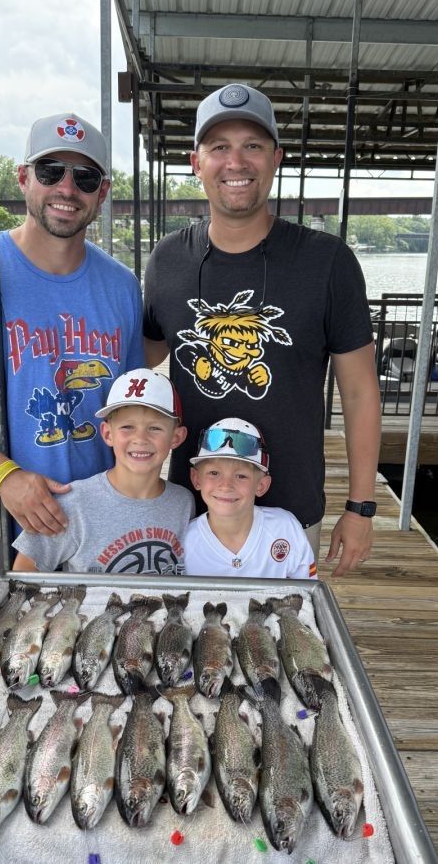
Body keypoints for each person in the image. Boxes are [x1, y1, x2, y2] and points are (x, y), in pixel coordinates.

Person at [143, 83, 381, 577]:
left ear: (276, 158)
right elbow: (135, 367)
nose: (236, 162)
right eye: (219, 147)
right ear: (196, 162)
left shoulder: (328, 261)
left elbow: (360, 392)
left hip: (291, 510)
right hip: (190, 510)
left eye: (252, 145)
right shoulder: (167, 260)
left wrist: (360, 507)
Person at [0, 112, 145, 535]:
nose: (67, 189)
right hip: (9, 524)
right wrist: (5, 475)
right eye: (50, 171)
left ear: (103, 192)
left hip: (101, 522)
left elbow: (129, 407)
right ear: (23, 178)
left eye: (85, 178)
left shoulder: (122, 286)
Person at [11, 369, 194, 574]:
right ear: (107, 434)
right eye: (127, 427)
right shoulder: (74, 503)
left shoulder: (184, 502)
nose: (140, 439)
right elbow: (24, 569)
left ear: (176, 437)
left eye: (155, 428)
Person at [183, 417, 317, 580]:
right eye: (214, 473)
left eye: (241, 476)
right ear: (196, 479)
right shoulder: (184, 541)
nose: (226, 486)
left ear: (261, 485)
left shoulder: (285, 528)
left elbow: (307, 591)